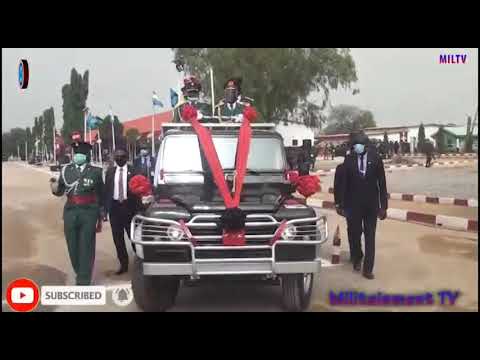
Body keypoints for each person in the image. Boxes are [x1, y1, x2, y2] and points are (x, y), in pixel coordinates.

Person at [50, 141, 105, 285]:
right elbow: (61, 190)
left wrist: (102, 214)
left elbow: (101, 194)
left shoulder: (96, 171)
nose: (78, 156)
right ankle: (79, 270)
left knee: (86, 245)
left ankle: (83, 279)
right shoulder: (66, 170)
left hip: (89, 212)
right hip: (70, 212)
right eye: (76, 154)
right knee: (72, 246)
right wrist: (54, 188)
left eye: (81, 154)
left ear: (86, 156)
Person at [337, 132, 388, 280]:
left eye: (359, 145)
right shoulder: (349, 160)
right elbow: (344, 183)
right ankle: (357, 257)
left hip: (371, 205)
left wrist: (383, 206)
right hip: (353, 204)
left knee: (370, 235)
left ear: (366, 146)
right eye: (355, 145)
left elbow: (382, 183)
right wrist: (340, 203)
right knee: (355, 232)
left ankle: (368, 268)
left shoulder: (376, 159)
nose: (357, 147)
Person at [104, 148, 139, 275]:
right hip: (114, 209)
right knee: (118, 240)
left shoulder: (134, 171)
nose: (119, 158)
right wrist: (105, 210)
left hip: (129, 209)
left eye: (122, 156)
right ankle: (123, 265)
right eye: (117, 156)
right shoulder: (110, 172)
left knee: (134, 237)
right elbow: (107, 191)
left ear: (126, 157)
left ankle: (141, 261)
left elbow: (140, 191)